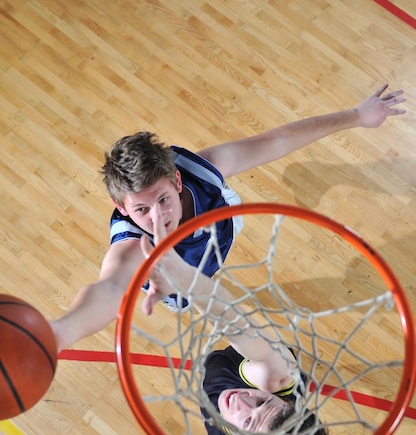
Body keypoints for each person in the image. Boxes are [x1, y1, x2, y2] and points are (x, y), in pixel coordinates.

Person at [50, 85, 406, 352]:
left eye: (163, 199)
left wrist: (356, 116)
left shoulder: (199, 171)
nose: (159, 217)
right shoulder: (132, 248)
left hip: (220, 227)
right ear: (121, 207)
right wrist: (58, 334)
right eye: (142, 210)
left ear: (176, 180)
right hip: (181, 279)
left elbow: (277, 140)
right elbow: (108, 291)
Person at [139, 204, 330, 435]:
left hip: (223, 413)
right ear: (288, 404)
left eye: (249, 422)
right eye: (263, 402)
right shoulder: (275, 379)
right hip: (240, 361)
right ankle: (225, 208)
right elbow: (236, 322)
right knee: (267, 354)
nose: (243, 400)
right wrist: (186, 279)